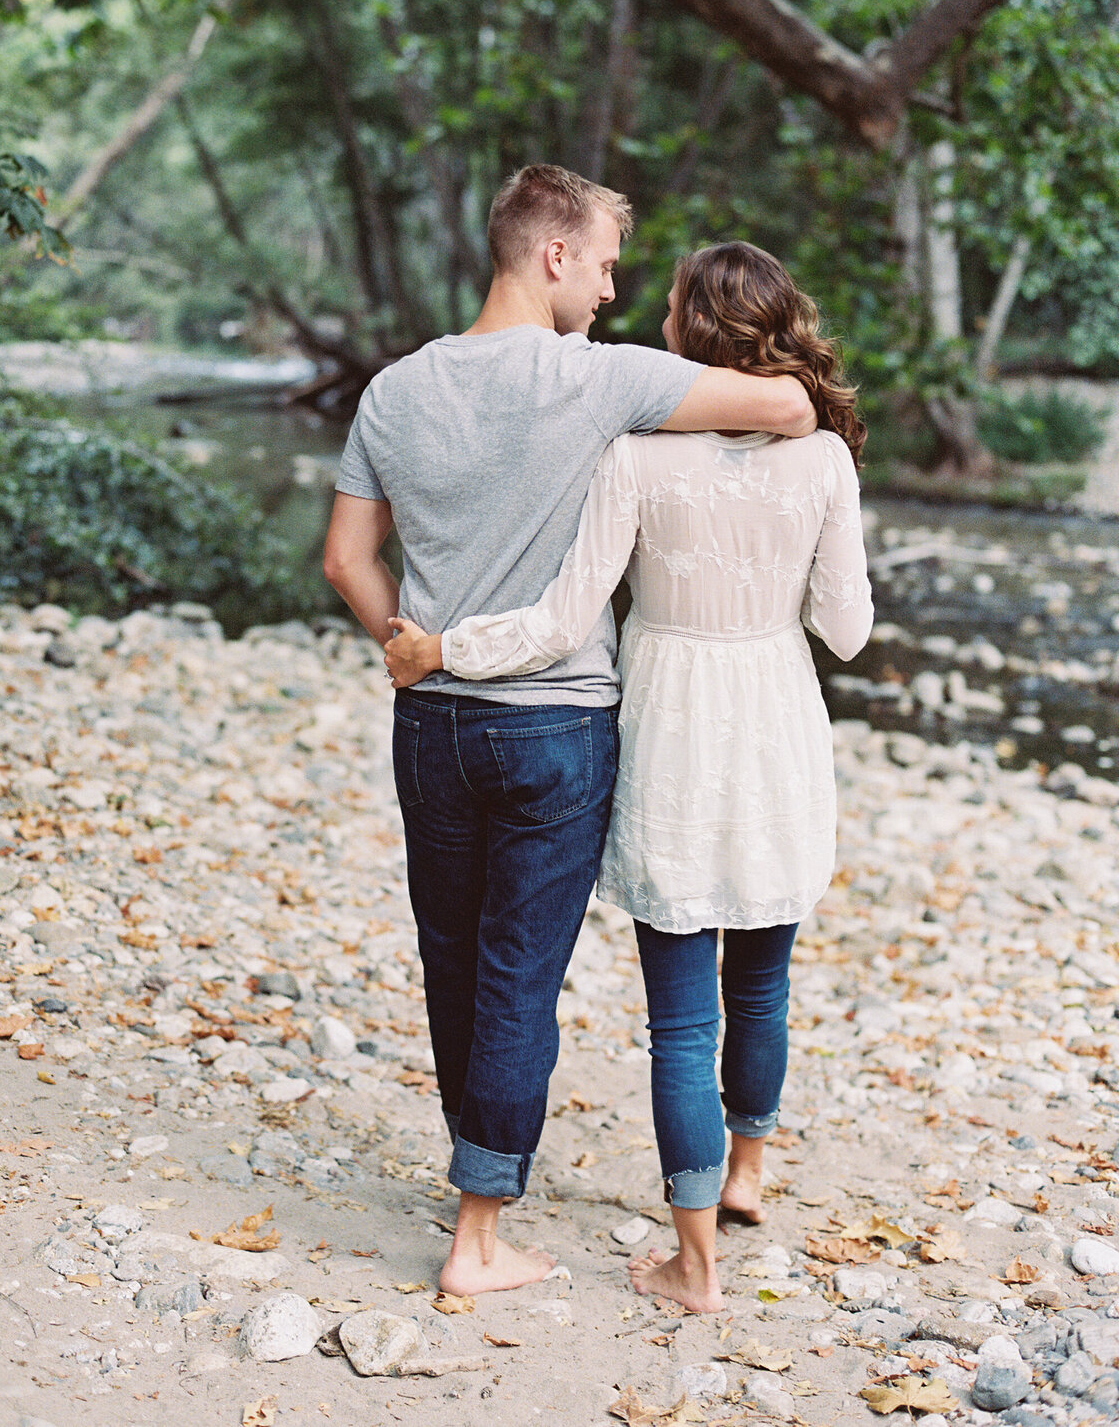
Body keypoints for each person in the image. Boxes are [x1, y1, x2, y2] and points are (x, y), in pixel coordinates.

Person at [323, 169, 816, 1296]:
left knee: (452, 956)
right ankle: (478, 1231)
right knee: (516, 973)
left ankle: (480, 1160)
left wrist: (406, 639)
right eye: (600, 265)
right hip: (557, 726)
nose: (607, 290)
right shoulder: (602, 380)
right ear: (551, 255)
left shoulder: (395, 390)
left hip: (433, 721)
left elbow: (345, 559)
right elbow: (785, 408)